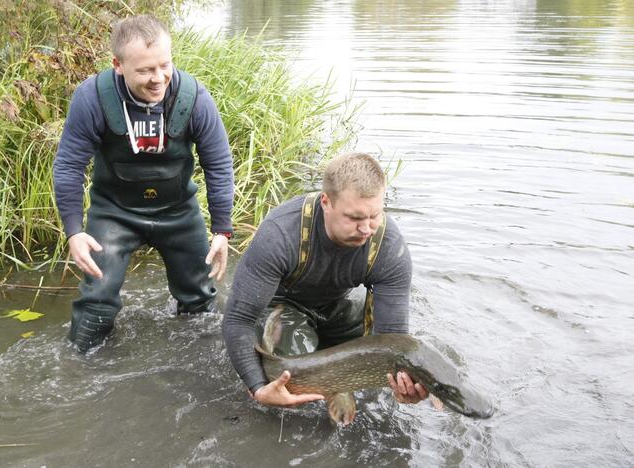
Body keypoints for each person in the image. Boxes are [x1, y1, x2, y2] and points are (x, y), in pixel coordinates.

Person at [53, 15, 234, 352]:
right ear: (117, 65)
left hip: (179, 212)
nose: (158, 78)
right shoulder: (92, 98)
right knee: (97, 300)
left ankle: (200, 364)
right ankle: (78, 368)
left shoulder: (194, 97)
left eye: (165, 65)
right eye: (145, 71)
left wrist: (222, 230)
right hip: (114, 213)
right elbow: (68, 166)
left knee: (200, 301)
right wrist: (74, 231)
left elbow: (219, 163)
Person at [222, 152, 427, 424]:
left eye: (375, 215)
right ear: (326, 202)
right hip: (282, 306)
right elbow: (238, 320)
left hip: (336, 306)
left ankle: (327, 356)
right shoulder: (280, 235)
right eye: (354, 218)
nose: (367, 229)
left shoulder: (389, 247)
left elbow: (392, 341)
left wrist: (403, 385)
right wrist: (258, 387)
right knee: (292, 374)